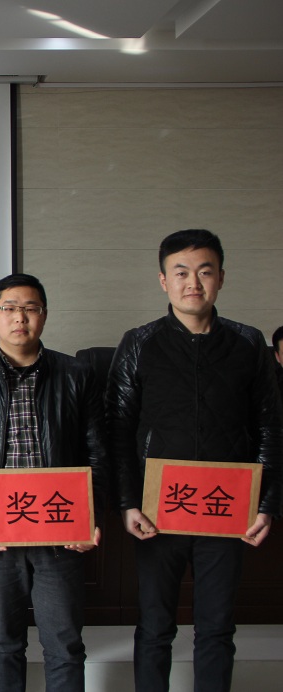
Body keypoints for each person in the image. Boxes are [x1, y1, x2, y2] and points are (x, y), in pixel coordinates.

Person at [106, 229, 283, 692]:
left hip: (227, 508)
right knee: (155, 625)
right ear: (163, 281)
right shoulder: (139, 342)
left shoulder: (248, 342)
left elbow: (270, 426)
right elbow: (118, 429)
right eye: (181, 273)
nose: (193, 283)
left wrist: (267, 504)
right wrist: (127, 502)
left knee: (217, 626)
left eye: (205, 272)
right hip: (158, 510)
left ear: (221, 278)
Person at [0, 273, 105, 692]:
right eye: (10, 308)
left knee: (65, 645)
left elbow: (98, 453)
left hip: (60, 532)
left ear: (44, 315)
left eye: (30, 308)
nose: (20, 318)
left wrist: (90, 517)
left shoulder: (77, 375)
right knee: (4, 643)